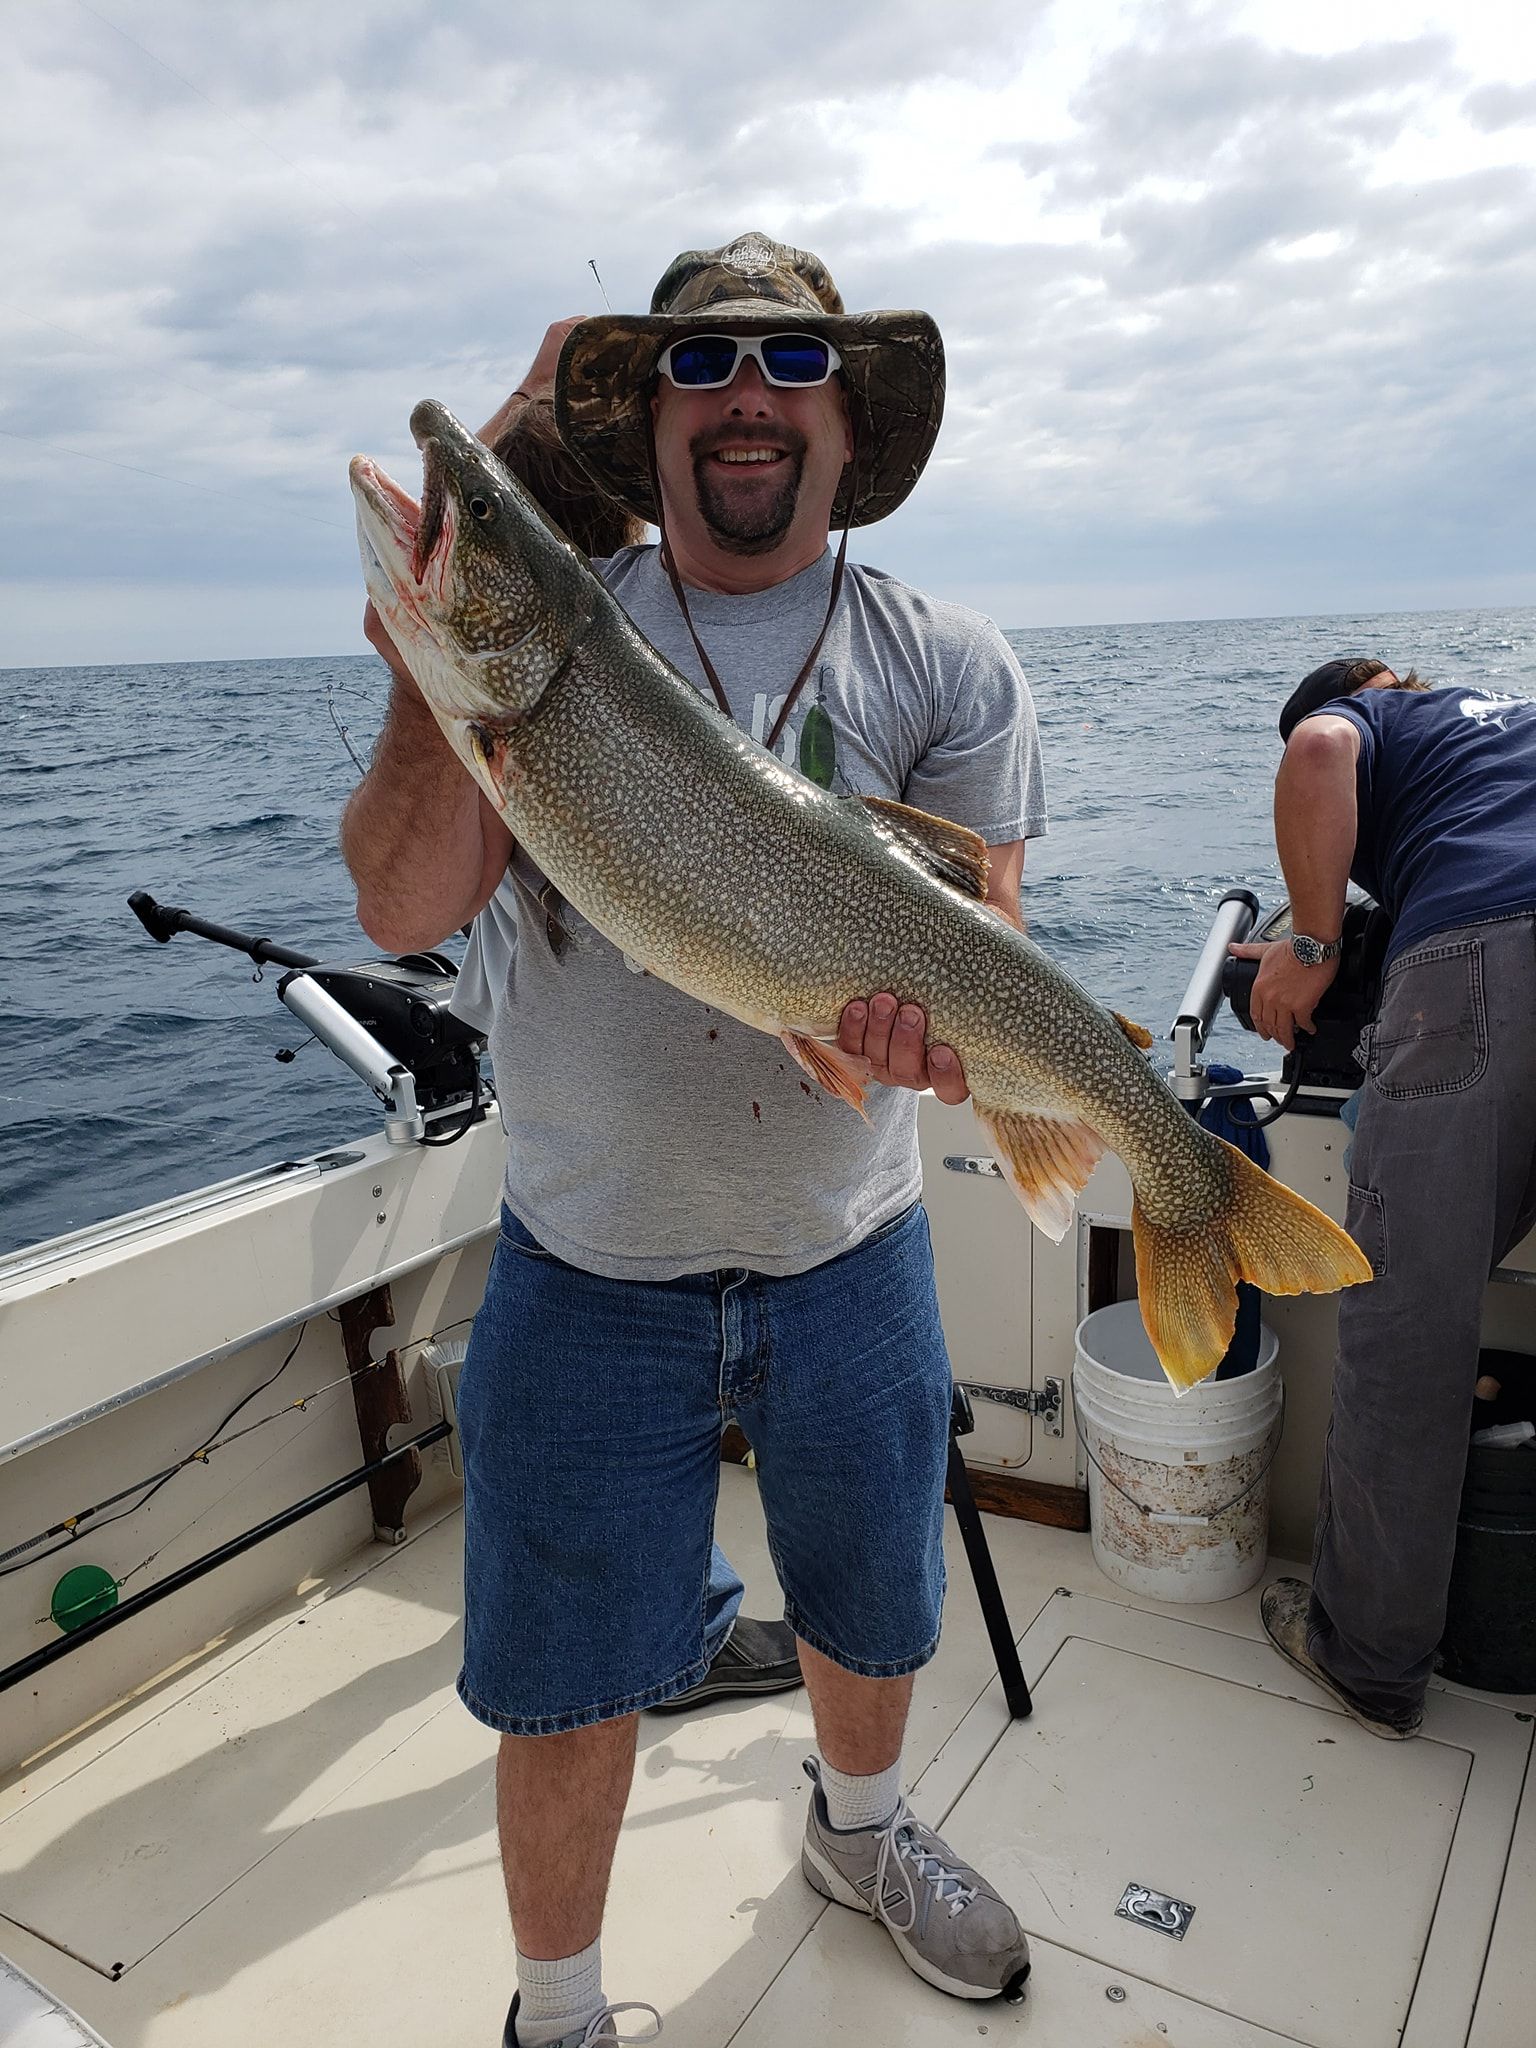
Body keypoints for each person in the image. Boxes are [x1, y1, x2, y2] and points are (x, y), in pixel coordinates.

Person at [341, 233, 1047, 2046]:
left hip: (850, 1242)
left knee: (875, 1607)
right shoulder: (548, 634)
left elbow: (990, 962)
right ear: (644, 415)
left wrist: (923, 1044)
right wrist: (450, 617)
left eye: (789, 362)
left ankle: (861, 1832)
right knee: (565, 1675)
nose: (747, 393)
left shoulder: (949, 663)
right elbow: (403, 898)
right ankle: (556, 2014)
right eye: (703, 359)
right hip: (589, 1258)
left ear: (846, 411)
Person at [1229, 655, 1536, 1740]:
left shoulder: (1362, 714)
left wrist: (1311, 944)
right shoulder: (1504, 719)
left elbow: (1319, 755)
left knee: (1405, 1321)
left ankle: (1366, 1657)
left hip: (1478, 955)